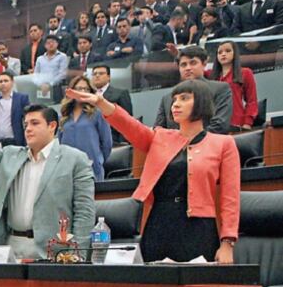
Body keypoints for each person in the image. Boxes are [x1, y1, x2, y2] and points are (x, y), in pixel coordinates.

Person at [66, 80, 239, 263]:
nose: (176, 104)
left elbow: (230, 197)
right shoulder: (159, 136)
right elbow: (129, 125)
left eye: (184, 98)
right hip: (159, 222)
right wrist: (101, 103)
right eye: (174, 100)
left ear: (202, 103)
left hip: (198, 228)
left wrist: (227, 243)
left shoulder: (223, 144)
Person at [0, 99, 96, 260]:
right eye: (26, 124)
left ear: (52, 126)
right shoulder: (10, 155)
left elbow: (84, 212)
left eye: (35, 123)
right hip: (9, 246)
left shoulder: (75, 159)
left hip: (53, 251)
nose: (28, 129)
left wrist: (78, 255)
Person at [154, 46, 232, 134]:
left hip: (210, 145)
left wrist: (189, 140)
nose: (188, 68)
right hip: (175, 146)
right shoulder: (167, 98)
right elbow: (159, 130)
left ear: (204, 64)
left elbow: (220, 125)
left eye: (193, 63)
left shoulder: (220, 89)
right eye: (183, 65)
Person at [58, 75, 113, 181]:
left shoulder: (97, 113)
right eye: (79, 88)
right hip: (68, 169)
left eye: (86, 89)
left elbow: (107, 143)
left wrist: (98, 160)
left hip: (91, 168)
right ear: (72, 91)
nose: (82, 91)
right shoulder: (64, 115)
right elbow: (60, 143)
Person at [210, 40, 259, 131]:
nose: (223, 54)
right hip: (214, 125)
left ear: (235, 53)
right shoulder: (210, 75)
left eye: (228, 51)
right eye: (219, 52)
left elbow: (252, 101)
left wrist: (247, 123)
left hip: (236, 124)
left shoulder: (245, 73)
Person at [90, 65, 132, 144]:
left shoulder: (120, 93)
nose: (97, 76)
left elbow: (127, 120)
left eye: (101, 73)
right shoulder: (88, 96)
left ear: (108, 77)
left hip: (113, 140)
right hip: (91, 141)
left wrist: (123, 143)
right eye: (94, 74)